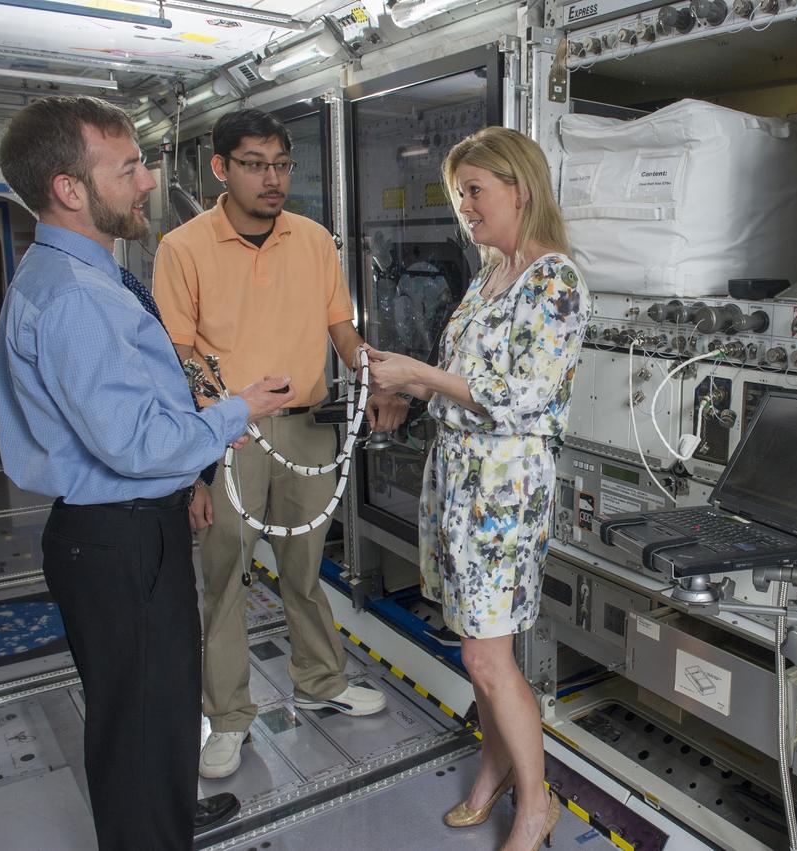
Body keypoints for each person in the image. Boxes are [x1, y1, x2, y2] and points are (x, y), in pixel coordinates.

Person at [0, 95, 296, 850]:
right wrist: (240, 409)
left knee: (155, 703)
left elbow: (138, 414)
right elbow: (134, 442)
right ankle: (147, 832)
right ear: (69, 188)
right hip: (117, 538)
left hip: (131, 522)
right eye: (128, 166)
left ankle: (163, 804)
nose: (147, 180)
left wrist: (184, 482)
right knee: (137, 713)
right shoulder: (76, 300)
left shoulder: (86, 275)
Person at [152, 109, 408, 780]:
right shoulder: (184, 248)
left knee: (305, 566)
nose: (273, 179)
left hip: (305, 424)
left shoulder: (315, 239)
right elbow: (178, 350)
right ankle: (230, 715)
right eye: (255, 165)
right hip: (231, 432)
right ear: (220, 168)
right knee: (226, 576)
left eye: (282, 165)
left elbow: (339, 324)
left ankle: (320, 680)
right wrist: (214, 421)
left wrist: (370, 374)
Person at [366, 126, 589, 851]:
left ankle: (536, 801)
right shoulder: (488, 273)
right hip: (459, 480)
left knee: (490, 656)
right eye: (458, 192)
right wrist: (410, 394)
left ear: (520, 187)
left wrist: (421, 377)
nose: (464, 206)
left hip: (502, 490)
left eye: (475, 190)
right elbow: (463, 382)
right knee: (474, 649)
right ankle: (495, 766)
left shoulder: (553, 279)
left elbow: (523, 394)